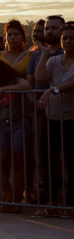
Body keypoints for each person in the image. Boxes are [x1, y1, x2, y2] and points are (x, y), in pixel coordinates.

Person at [34, 22, 74, 218]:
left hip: (71, 118)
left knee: (71, 161)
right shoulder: (54, 60)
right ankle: (51, 203)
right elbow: (40, 76)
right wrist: (44, 53)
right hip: (52, 116)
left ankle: (71, 205)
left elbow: (72, 83)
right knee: (47, 160)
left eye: (72, 38)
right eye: (65, 38)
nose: (68, 41)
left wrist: (52, 90)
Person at [0, 58, 32, 213]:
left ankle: (16, 200)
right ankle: (8, 194)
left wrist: (6, 88)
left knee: (17, 163)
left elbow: (26, 85)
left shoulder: (13, 80)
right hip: (2, 126)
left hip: (19, 123)